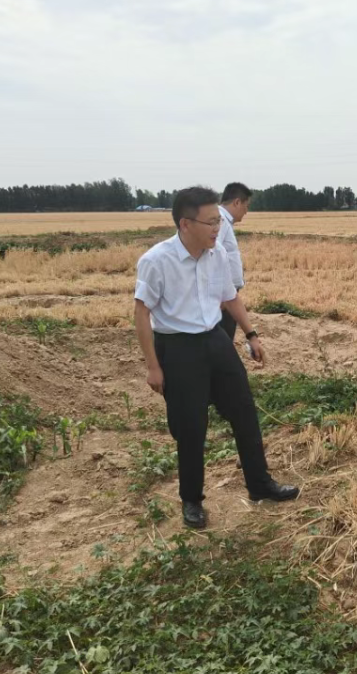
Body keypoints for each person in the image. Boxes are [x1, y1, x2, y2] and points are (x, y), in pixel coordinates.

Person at [134, 186, 299, 529]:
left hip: (215, 340)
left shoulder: (217, 254)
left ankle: (259, 484)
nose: (217, 228)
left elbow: (229, 297)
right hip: (177, 347)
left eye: (218, 221)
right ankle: (191, 499)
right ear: (185, 224)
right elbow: (141, 313)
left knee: (244, 412)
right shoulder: (156, 261)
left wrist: (251, 334)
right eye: (210, 222)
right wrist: (153, 366)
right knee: (191, 426)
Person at [216, 182, 252, 341]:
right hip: (224, 300)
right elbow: (211, 255)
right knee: (222, 342)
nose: (246, 211)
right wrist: (221, 295)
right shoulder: (220, 220)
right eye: (246, 206)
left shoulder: (222, 220)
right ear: (237, 202)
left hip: (227, 297)